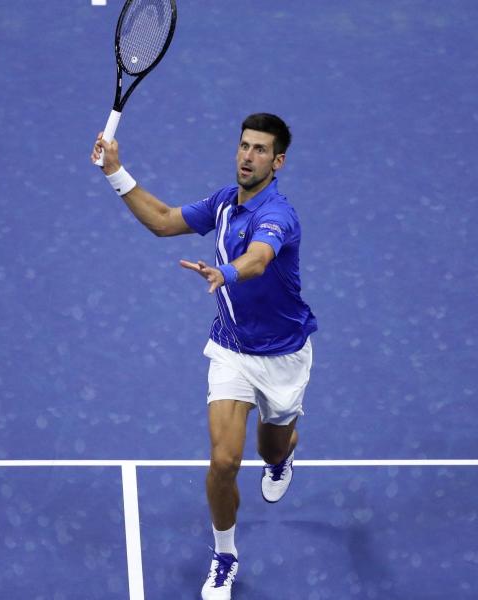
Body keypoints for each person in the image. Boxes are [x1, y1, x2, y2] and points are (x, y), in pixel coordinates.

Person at [91, 113, 317, 599]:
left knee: (271, 447)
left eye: (260, 150)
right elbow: (164, 221)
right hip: (233, 348)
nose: (247, 156)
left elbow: (258, 259)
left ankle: (283, 454)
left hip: (284, 357)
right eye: (243, 146)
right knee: (223, 461)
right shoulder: (222, 203)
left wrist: (226, 274)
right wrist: (115, 171)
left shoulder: (278, 214)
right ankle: (225, 555)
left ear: (277, 163)